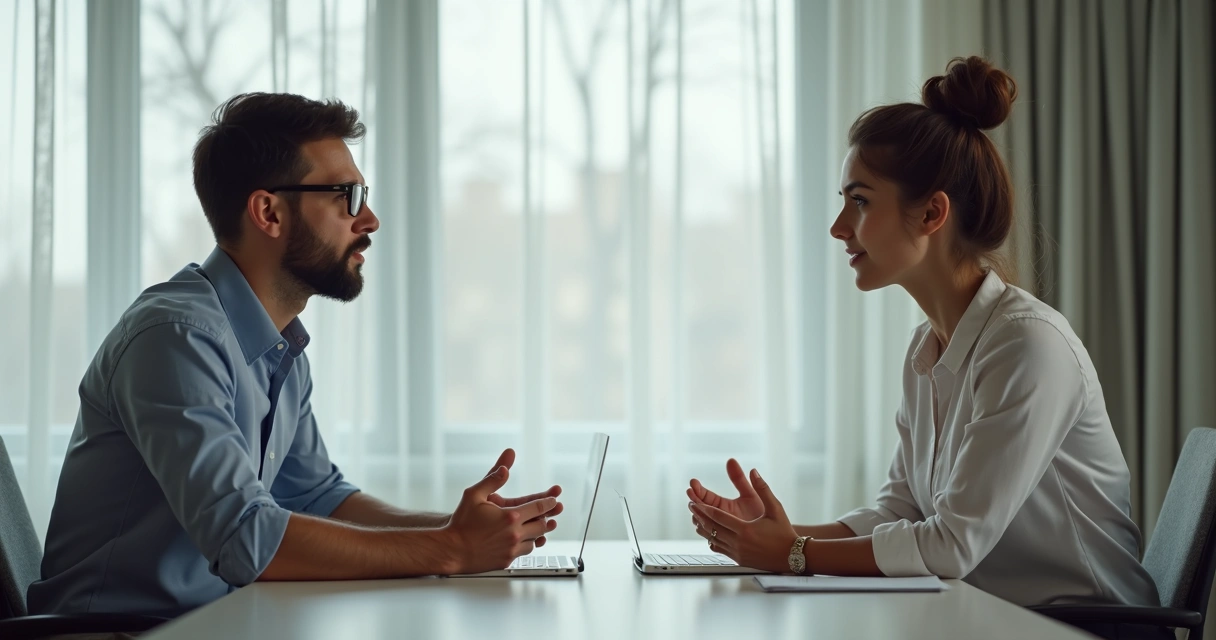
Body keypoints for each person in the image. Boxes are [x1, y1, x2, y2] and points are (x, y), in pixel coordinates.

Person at [28, 93, 562, 618]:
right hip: (115, 634)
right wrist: (452, 551)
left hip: (210, 624)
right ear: (269, 212)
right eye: (346, 197)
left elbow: (319, 497)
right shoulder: (176, 338)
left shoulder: (280, 348)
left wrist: (456, 530)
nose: (369, 219)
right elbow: (246, 538)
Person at [687, 57, 1160, 613]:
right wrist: (777, 535)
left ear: (933, 212)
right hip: (998, 619)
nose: (839, 227)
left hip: (1085, 626)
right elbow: (902, 512)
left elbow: (951, 546)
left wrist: (794, 552)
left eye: (859, 201)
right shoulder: (926, 348)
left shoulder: (1028, 346)